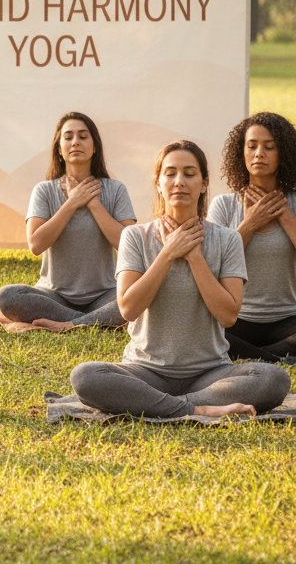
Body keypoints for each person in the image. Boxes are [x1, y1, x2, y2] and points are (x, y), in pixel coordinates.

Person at [70, 141, 290, 419]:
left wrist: (195, 258)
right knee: (86, 376)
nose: (179, 182)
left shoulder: (227, 239)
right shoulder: (135, 237)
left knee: (273, 379)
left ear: (203, 183)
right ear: (158, 182)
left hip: (210, 373)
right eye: (170, 173)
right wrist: (168, 254)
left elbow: (228, 315)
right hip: (145, 371)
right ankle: (196, 407)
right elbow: (128, 309)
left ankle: (159, 404)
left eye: (189, 173)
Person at [0, 111, 135, 331]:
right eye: (68, 137)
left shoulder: (115, 190)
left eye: (83, 136)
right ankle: (91, 321)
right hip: (54, 296)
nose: (75, 142)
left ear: (94, 146)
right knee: (8, 296)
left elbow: (127, 246)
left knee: (141, 296)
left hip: (104, 294)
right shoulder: (44, 190)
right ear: (59, 149)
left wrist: (94, 205)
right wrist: (71, 203)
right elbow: (36, 244)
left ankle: (69, 323)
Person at [207, 112, 296, 362]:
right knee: (207, 333)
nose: (259, 153)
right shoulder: (224, 205)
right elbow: (212, 262)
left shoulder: (294, 203)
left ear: (284, 154)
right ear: (241, 152)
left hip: (288, 319)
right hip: (237, 318)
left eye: (269, 147)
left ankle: (256, 356)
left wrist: (286, 217)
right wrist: (249, 224)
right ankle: (277, 358)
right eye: (252, 146)